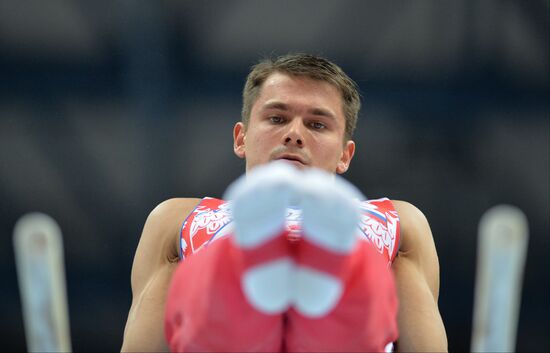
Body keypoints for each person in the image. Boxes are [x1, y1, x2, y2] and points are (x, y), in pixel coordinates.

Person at [120, 53, 448, 352]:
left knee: (352, 309)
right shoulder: (176, 218)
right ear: (241, 138)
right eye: (277, 119)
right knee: (216, 301)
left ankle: (309, 270)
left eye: (317, 124)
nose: (294, 134)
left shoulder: (399, 222)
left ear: (345, 155)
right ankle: (275, 268)